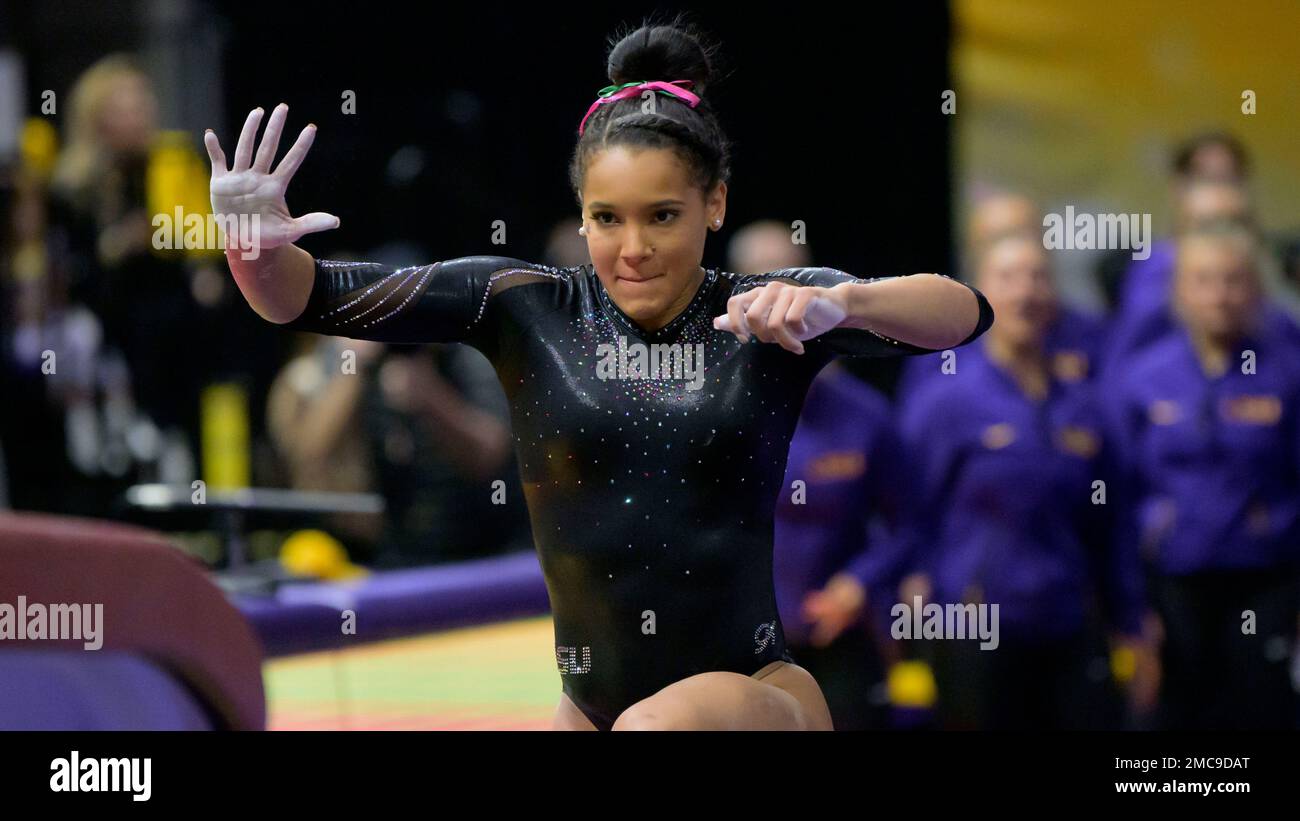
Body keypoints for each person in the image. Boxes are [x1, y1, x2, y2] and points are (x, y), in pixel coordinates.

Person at [204, 18, 992, 730]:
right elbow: (306, 298)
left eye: (663, 216)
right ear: (580, 211)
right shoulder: (520, 307)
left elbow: (964, 312)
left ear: (714, 204)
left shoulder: (765, 310)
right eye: (607, 218)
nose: (633, 247)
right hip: (593, 707)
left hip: (757, 699)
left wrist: (843, 303)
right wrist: (254, 249)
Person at [899, 229, 1155, 729]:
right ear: (978, 293)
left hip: (1069, 623)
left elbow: (1111, 526)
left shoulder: (1084, 405)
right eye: (1008, 277)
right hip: (974, 625)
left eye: (1038, 277)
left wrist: (1131, 620)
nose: (1026, 291)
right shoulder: (947, 399)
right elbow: (909, 509)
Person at [1104, 221, 1300, 729]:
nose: (1220, 296)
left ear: (1255, 288)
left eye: (1234, 280)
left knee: (1262, 709)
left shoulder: (1287, 372)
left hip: (1266, 579)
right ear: (1179, 290)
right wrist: (1129, 604)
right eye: (1205, 280)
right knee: (1172, 716)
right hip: (1170, 580)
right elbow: (1117, 496)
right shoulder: (1142, 377)